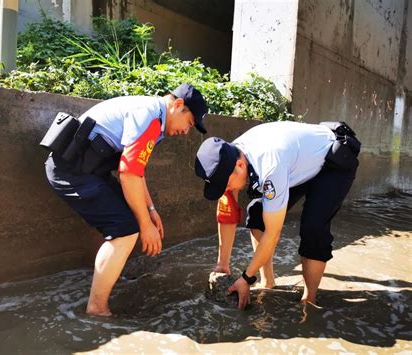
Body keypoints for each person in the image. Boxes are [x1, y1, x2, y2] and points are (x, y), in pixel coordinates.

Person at [45, 83, 208, 316]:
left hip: (88, 171)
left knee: (129, 219)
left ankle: (106, 275)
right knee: (125, 229)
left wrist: (150, 210)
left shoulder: (155, 115)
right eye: (190, 123)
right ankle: (97, 309)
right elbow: (128, 173)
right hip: (70, 171)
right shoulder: (150, 117)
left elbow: (136, 171)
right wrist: (145, 226)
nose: (186, 131)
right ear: (178, 105)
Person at [194, 121, 360, 310]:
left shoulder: (270, 167)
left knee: (313, 228)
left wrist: (246, 278)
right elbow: (228, 212)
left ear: (240, 166)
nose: (226, 189)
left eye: (225, 184)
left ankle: (309, 302)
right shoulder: (227, 156)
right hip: (299, 163)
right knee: (257, 214)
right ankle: (268, 282)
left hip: (334, 160)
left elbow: (273, 233)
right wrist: (222, 265)